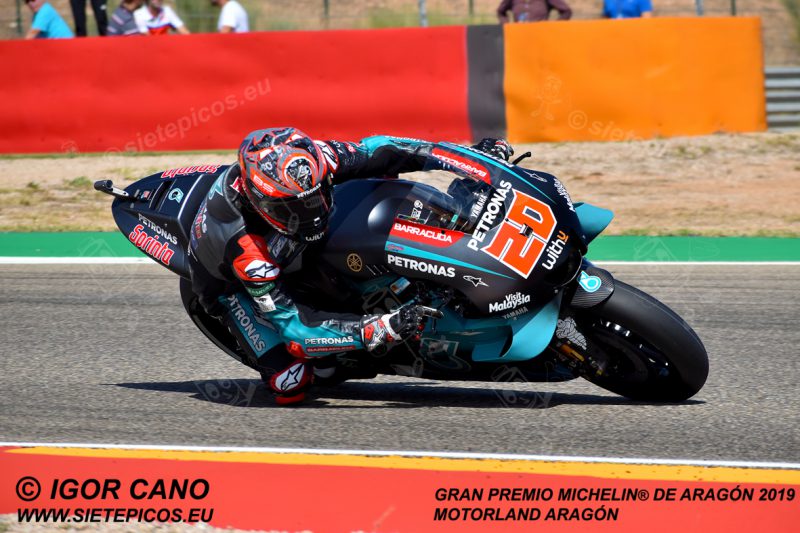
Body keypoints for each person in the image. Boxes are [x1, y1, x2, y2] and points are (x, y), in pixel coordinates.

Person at [188, 128, 513, 405]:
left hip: (289, 240)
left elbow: (387, 148)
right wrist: (382, 328)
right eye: (294, 209)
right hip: (228, 286)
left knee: (378, 174)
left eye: (314, 199)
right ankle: (340, 341)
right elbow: (296, 330)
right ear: (260, 201)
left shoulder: (312, 161)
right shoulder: (248, 252)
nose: (311, 214)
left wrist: (469, 159)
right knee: (291, 382)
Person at [496, 0, 572, 23]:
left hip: (540, 38)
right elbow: (500, 11)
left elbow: (566, 11)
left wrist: (553, 28)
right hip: (518, 38)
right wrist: (506, 26)